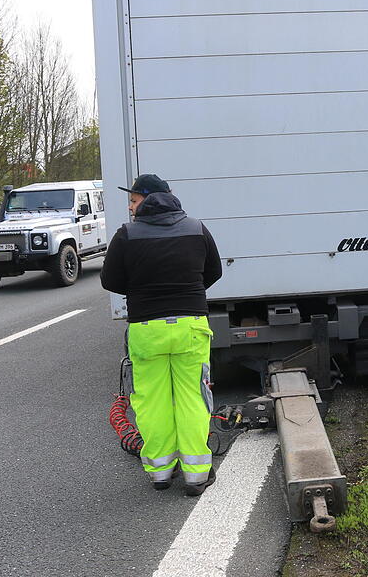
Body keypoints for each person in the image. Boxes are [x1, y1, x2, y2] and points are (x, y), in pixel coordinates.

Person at [100, 174, 223, 496]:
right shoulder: (197, 228)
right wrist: (186, 293)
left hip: (146, 328)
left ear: (147, 201)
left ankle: (160, 472)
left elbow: (110, 280)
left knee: (151, 402)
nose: (130, 206)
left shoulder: (126, 234)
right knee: (193, 398)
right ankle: (197, 474)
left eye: (133, 200)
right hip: (191, 326)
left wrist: (144, 292)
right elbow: (214, 272)